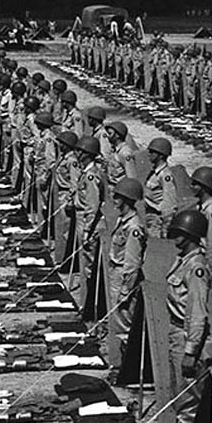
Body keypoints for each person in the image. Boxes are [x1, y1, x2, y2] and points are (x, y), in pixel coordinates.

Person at [165, 209, 212, 423]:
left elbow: (197, 313)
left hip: (187, 338)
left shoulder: (196, 268)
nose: (174, 236)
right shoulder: (182, 261)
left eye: (179, 232)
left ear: (189, 234)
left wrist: (190, 352)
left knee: (188, 405)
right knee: (180, 399)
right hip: (177, 335)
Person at [107, 178, 147, 367]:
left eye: (117, 196)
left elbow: (132, 264)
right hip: (116, 273)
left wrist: (125, 290)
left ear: (125, 199)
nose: (114, 199)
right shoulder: (124, 221)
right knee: (116, 321)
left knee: (123, 325)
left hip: (124, 278)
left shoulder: (133, 228)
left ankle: (123, 366)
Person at [70, 135, 108, 307]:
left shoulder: (91, 176)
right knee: (84, 261)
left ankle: (88, 304)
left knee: (88, 264)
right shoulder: (86, 173)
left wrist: (86, 230)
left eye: (79, 150)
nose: (76, 153)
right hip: (82, 217)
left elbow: (92, 206)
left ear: (86, 154)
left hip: (87, 221)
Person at [143, 136, 179, 237]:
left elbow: (170, 202)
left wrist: (166, 227)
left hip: (157, 219)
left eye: (152, 152)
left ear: (161, 156)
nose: (148, 154)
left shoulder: (165, 175)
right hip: (150, 216)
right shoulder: (154, 172)